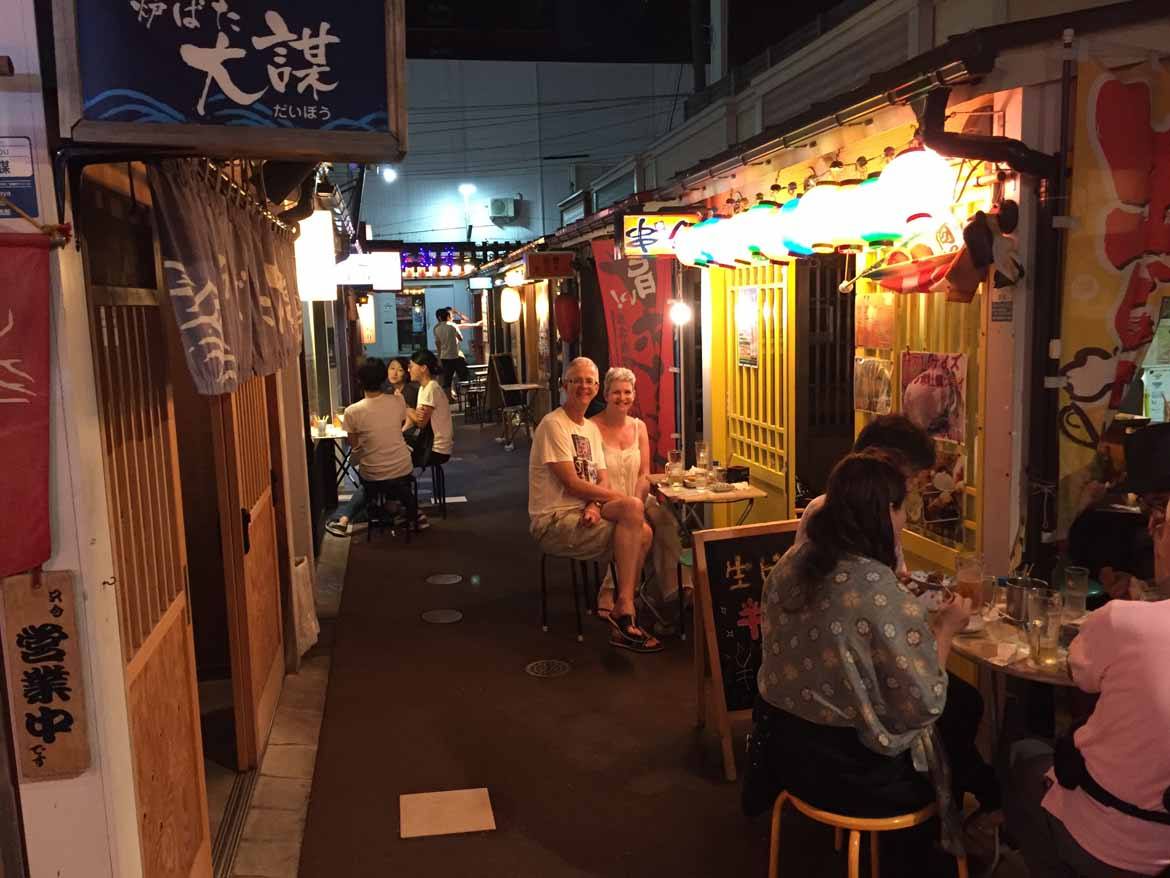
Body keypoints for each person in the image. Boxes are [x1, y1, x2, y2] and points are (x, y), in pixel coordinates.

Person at [744, 451, 974, 874]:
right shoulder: (878, 591)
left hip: (786, 755)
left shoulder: (788, 568)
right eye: (905, 509)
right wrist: (945, 631)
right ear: (886, 512)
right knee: (961, 708)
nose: (906, 521)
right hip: (860, 778)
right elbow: (923, 703)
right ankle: (938, 849)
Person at [1004, 424, 1170, 878]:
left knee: (1023, 756)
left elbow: (1081, 672)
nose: (1150, 520)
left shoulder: (1128, 620)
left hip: (1114, 839)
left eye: (1160, 516)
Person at [528, 357, 661, 653]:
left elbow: (599, 478)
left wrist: (593, 505)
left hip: (585, 511)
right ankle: (625, 612)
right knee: (641, 527)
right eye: (577, 380)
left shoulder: (588, 428)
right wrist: (607, 501)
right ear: (564, 385)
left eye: (590, 380)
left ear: (596, 387)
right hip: (555, 520)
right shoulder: (554, 425)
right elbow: (572, 484)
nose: (584, 386)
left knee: (638, 516)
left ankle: (622, 604)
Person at [590, 367, 685, 621]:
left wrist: (638, 503)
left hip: (638, 494)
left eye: (627, 392)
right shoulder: (591, 427)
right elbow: (592, 477)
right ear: (606, 394)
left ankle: (672, 590)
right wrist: (631, 508)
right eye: (616, 392)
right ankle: (615, 591)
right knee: (642, 532)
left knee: (668, 519)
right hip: (606, 499)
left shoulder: (639, 427)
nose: (622, 398)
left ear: (634, 394)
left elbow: (644, 474)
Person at [793, 414, 937, 576]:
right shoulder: (825, 510)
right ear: (876, 466)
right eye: (911, 476)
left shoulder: (883, 512)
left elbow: (890, 576)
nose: (911, 486)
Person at [326, 360, 414, 537]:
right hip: (403, 468)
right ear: (383, 379)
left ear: (359, 381)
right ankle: (401, 510)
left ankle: (343, 519)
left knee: (370, 482)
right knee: (388, 479)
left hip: (373, 473)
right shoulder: (398, 400)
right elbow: (400, 423)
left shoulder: (352, 411)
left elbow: (354, 444)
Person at [433, 308, 481, 395]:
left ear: (438, 318)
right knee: (464, 377)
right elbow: (461, 338)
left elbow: (438, 343)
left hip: (444, 357)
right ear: (448, 316)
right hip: (456, 356)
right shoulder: (453, 326)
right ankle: (467, 396)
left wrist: (440, 357)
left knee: (447, 379)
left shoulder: (436, 328)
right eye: (451, 315)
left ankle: (448, 399)